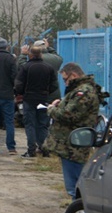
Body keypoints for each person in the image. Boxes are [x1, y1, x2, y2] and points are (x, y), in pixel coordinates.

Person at [43, 62, 102, 200]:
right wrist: (61, 103)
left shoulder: (83, 92)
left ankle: (79, 211)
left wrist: (51, 109)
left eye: (65, 79)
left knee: (75, 186)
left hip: (74, 145)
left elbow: (68, 114)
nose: (65, 83)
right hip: (70, 143)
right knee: (73, 184)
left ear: (73, 75)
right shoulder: (80, 90)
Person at [14, 44, 58, 158]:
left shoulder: (26, 67)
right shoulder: (49, 68)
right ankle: (44, 149)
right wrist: (46, 92)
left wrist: (22, 93)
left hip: (29, 99)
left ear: (31, 55)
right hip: (43, 99)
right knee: (42, 124)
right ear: (41, 55)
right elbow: (54, 85)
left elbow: (18, 84)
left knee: (30, 124)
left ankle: (31, 150)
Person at [34, 38, 64, 103]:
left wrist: (23, 55)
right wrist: (49, 48)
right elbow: (58, 57)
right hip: (54, 92)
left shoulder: (35, 60)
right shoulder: (55, 59)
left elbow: (23, 66)